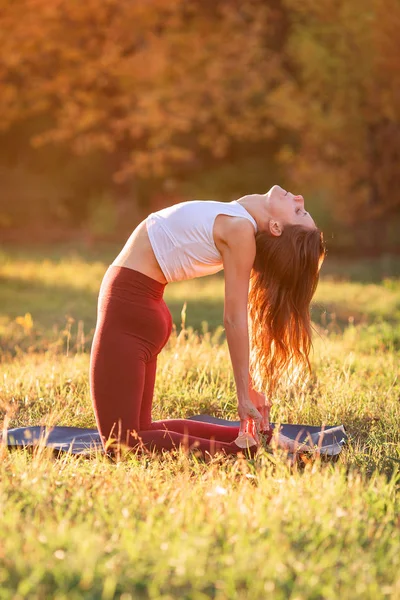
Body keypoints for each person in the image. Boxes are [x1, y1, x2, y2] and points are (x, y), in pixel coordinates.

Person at [89, 185, 325, 458]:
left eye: (298, 211)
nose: (299, 198)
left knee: (120, 445)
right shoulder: (239, 217)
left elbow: (235, 318)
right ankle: (264, 441)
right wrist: (250, 390)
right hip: (138, 309)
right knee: (140, 430)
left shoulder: (239, 230)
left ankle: (237, 453)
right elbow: (244, 317)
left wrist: (244, 397)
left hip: (129, 311)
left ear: (275, 227)